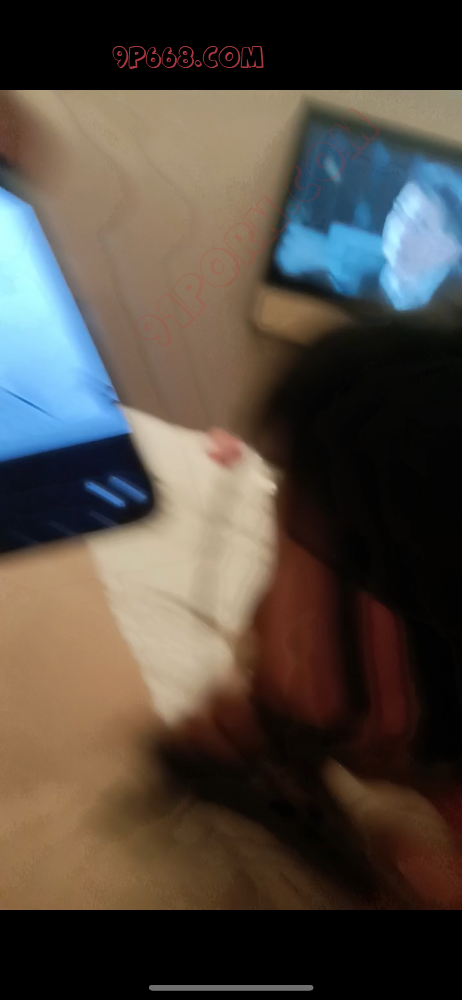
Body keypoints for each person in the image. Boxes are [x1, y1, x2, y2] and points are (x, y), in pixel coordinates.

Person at [277, 161, 462, 315]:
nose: (400, 232)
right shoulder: (365, 262)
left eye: (421, 227)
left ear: (450, 250)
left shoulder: (447, 309)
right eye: (399, 210)